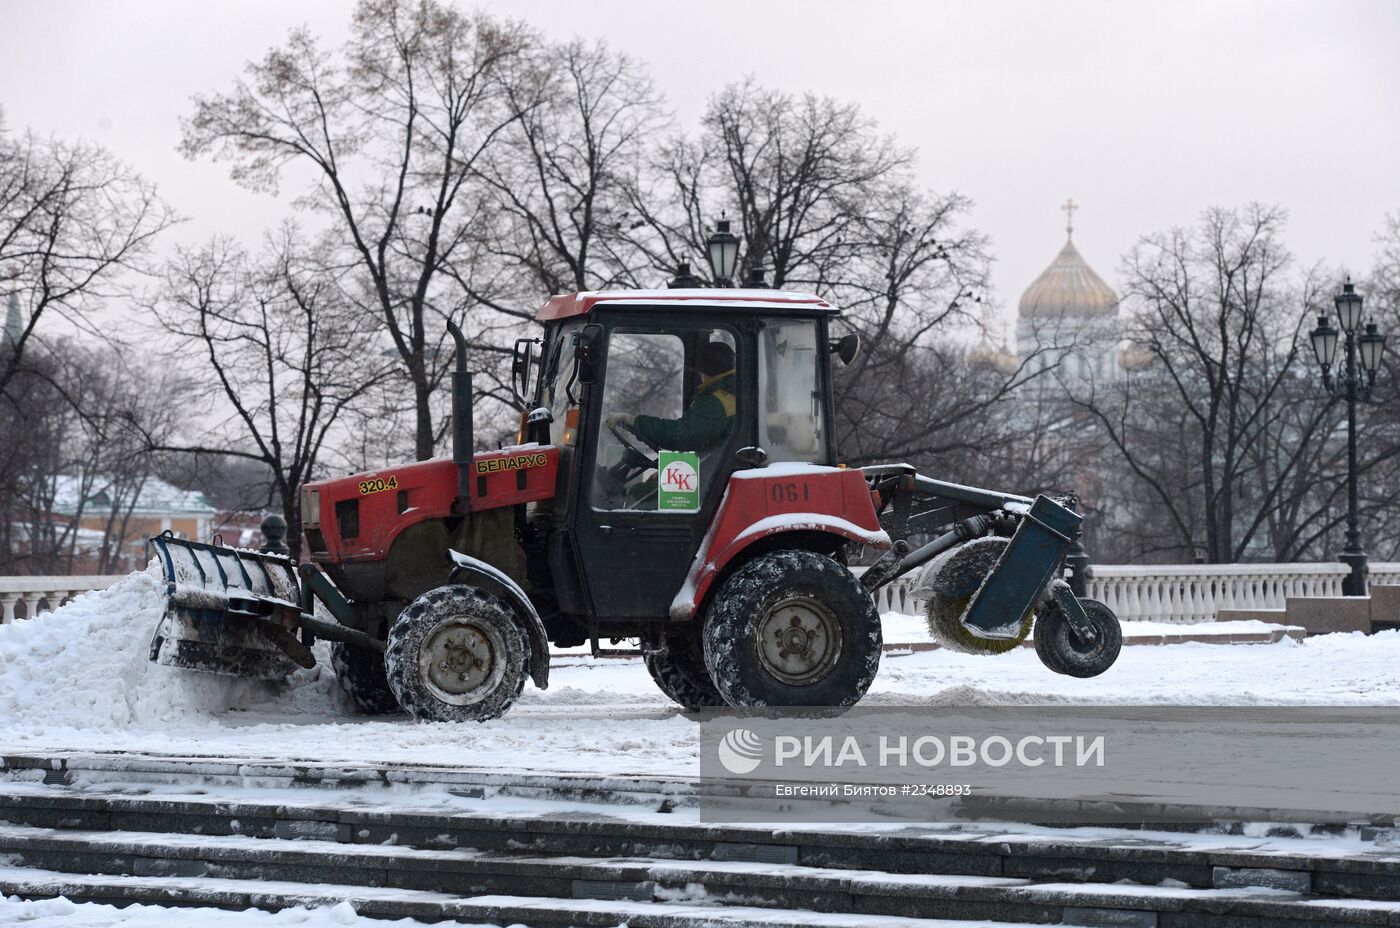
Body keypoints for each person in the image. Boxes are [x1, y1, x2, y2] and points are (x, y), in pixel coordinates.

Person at [606, 341, 736, 451]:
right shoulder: (728, 392)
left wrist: (634, 421)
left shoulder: (717, 400)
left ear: (705, 371)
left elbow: (682, 436)